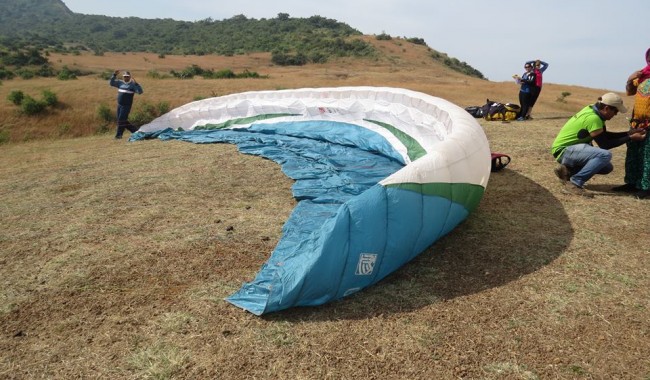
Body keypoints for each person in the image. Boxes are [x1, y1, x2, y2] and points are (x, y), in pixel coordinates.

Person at [550, 93, 646, 197]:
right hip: (564, 151)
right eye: (615, 111)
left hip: (568, 150)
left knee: (606, 167)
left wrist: (628, 133)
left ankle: (567, 171)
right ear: (606, 108)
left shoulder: (593, 110)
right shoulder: (594, 118)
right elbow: (605, 144)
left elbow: (604, 135)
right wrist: (630, 137)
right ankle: (575, 183)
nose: (616, 114)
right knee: (605, 155)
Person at [612, 48, 650, 199]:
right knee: (633, 153)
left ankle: (646, 187)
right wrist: (630, 78)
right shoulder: (642, 76)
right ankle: (632, 182)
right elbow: (630, 90)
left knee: (648, 156)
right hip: (636, 123)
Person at [109, 70, 143, 139]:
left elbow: (140, 92)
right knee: (122, 120)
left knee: (121, 120)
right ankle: (135, 131)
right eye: (125, 77)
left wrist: (137, 84)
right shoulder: (120, 83)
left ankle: (119, 136)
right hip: (119, 105)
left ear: (130, 77)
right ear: (123, 77)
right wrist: (114, 75)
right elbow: (111, 83)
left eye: (127, 77)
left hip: (126, 106)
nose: (126, 78)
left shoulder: (132, 85)